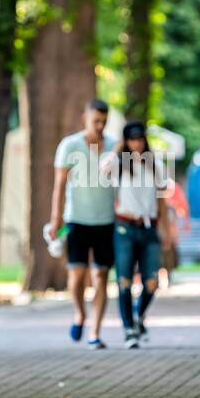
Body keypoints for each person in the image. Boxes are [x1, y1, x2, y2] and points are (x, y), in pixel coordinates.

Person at [50, 99, 115, 349]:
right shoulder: (70, 145)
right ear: (85, 118)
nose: (99, 126)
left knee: (101, 275)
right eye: (95, 121)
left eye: (103, 121)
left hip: (105, 220)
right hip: (76, 219)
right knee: (76, 275)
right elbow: (59, 185)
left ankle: (95, 332)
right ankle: (79, 313)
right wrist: (56, 218)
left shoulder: (113, 146)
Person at [105, 121, 167, 349]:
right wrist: (118, 148)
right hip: (125, 226)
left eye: (139, 139)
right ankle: (129, 328)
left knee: (152, 282)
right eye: (132, 139)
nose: (137, 143)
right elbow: (102, 170)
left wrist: (166, 229)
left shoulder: (155, 165)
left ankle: (138, 315)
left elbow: (162, 198)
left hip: (149, 226)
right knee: (124, 280)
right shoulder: (119, 164)